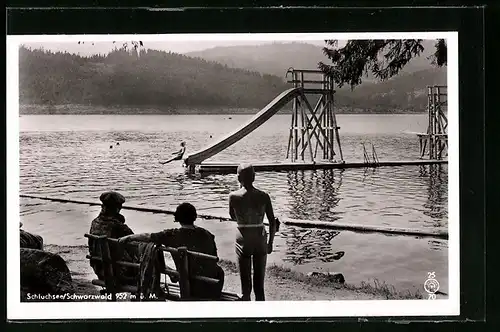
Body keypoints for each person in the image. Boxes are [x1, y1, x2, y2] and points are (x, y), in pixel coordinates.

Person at [118, 202, 225, 300]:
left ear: (177, 218)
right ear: (195, 217)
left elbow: (147, 236)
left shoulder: (172, 235)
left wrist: (129, 237)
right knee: (218, 270)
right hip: (213, 284)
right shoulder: (207, 234)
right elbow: (214, 258)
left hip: (190, 284)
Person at [229, 163, 278, 301]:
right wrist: (271, 243)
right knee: (259, 286)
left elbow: (233, 216)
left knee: (245, 287)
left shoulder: (233, 196)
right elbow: (272, 222)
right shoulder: (264, 196)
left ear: (239, 178)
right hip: (260, 236)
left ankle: (246, 314)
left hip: (243, 236)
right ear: (254, 177)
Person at [88, 191, 138, 284]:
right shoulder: (118, 226)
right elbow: (136, 245)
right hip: (118, 274)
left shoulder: (94, 222)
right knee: (147, 252)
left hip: (100, 271)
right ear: (117, 209)